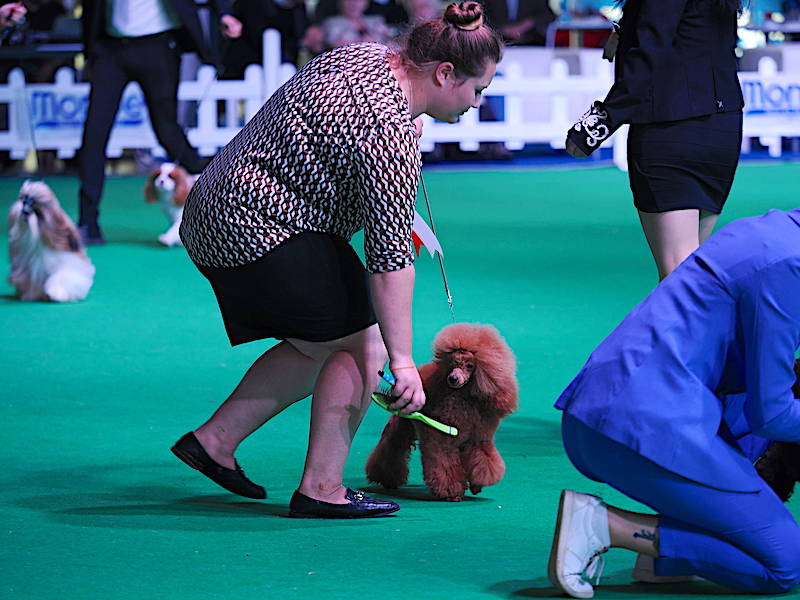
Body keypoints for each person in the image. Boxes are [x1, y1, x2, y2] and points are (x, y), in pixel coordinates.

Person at [172, 1, 502, 518]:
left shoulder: (364, 56)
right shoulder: (389, 135)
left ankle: (214, 441)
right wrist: (402, 362)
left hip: (214, 208)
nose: (476, 103)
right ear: (444, 73)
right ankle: (321, 488)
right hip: (260, 229)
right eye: (477, 90)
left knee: (317, 346)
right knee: (360, 345)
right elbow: (390, 261)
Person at [549, 207, 800, 597]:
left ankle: (665, 558)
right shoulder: (788, 265)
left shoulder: (775, 232)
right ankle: (607, 525)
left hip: (606, 412)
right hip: (639, 427)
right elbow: (773, 414)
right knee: (784, 563)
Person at [565, 0, 743, 281]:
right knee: (691, 270)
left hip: (671, 126)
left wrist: (597, 123)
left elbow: (650, 52)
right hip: (721, 126)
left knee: (679, 278)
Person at [76, 0, 243, 245]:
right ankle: (87, 222)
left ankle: (215, 207)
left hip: (158, 45)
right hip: (109, 46)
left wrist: (226, 14)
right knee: (94, 133)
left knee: (167, 130)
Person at [322, 0, 392, 49]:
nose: (353, 3)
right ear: (341, 2)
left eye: (358, 0)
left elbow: (390, 40)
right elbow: (332, 45)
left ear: (366, 3)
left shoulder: (376, 20)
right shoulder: (332, 23)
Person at [484, 0, 555, 46]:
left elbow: (548, 15)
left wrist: (528, 23)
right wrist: (503, 30)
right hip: (495, 44)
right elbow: (482, 16)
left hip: (530, 43)